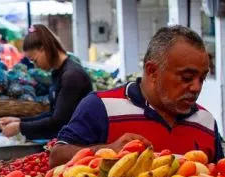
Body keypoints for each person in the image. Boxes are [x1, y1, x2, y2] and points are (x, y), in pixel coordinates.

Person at [51, 25, 223, 166]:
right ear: (153, 71)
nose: (196, 87)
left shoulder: (206, 121)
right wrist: (107, 151)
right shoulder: (101, 106)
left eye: (203, 78)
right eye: (187, 77)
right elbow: (56, 158)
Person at [0, 24, 93, 141]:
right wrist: (19, 121)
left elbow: (58, 122)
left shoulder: (71, 76)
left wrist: (20, 127)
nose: (36, 66)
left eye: (35, 60)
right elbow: (53, 114)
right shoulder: (58, 73)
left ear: (43, 49)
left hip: (81, 142)